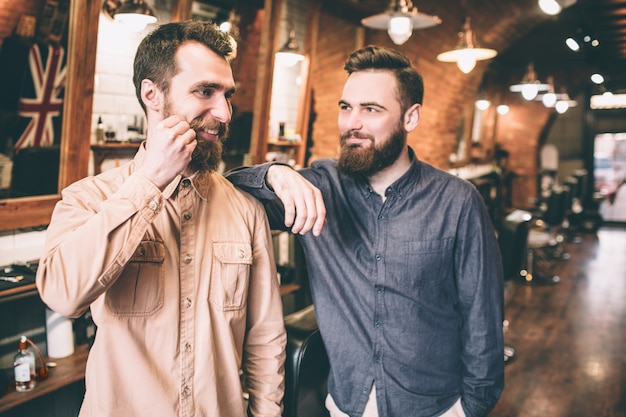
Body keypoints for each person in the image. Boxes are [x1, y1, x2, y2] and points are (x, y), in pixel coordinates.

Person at [226, 45, 504, 417]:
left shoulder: (457, 202)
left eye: (371, 110)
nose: (351, 123)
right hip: (345, 405)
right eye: (346, 107)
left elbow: (482, 316)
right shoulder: (319, 188)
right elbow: (225, 193)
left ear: (411, 117)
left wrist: (472, 407)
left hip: (437, 407)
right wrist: (274, 173)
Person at [36, 21, 286, 417]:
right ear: (152, 94)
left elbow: (265, 337)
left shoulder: (246, 210)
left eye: (227, 95)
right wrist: (149, 182)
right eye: (205, 91)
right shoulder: (88, 198)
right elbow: (62, 296)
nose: (223, 112)